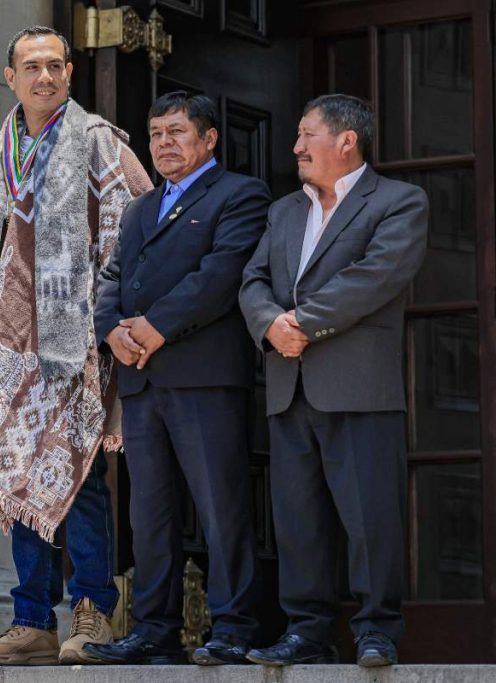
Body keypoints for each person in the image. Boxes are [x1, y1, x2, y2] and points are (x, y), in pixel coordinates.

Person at [0, 26, 152, 666]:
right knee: (16, 472)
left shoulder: (100, 142)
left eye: (56, 65)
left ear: (70, 73)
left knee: (76, 476)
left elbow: (138, 222)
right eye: (32, 67)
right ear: (10, 77)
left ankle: (92, 611)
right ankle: (31, 620)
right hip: (5, 343)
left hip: (74, 336)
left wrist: (109, 309)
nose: (45, 77)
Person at [239, 94, 428, 667]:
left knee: (371, 515)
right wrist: (270, 323)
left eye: (306, 135)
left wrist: (301, 323)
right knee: (298, 519)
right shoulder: (283, 211)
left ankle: (376, 631)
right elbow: (252, 280)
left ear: (347, 141)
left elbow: (376, 276)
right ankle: (308, 631)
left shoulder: (399, 202)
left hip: (359, 386)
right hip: (287, 384)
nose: (295, 147)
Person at [87, 91, 269, 666]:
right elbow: (113, 275)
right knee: (151, 511)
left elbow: (220, 274)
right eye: (156, 133)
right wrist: (111, 328)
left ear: (209, 138)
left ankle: (235, 625)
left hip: (203, 376)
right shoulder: (141, 208)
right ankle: (154, 629)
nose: (164, 143)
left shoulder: (240, 194)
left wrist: (154, 327)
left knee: (221, 505)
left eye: (177, 132)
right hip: (143, 381)